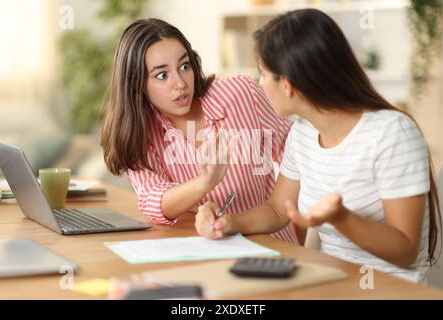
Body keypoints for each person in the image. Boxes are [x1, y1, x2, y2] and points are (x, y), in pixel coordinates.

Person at [195, 9, 442, 283]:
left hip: (389, 289)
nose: (260, 84)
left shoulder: (392, 133)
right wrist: (229, 223)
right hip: (331, 281)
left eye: (263, 75)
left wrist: (341, 218)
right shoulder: (302, 132)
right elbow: (278, 210)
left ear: (287, 84)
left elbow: (405, 249)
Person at [100, 18, 298, 243]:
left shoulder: (240, 93)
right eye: (162, 75)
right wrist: (204, 183)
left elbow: (296, 150)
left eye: (184, 66)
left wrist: (305, 223)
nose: (180, 83)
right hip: (204, 247)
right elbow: (151, 201)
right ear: (137, 84)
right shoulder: (137, 132)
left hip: (272, 244)